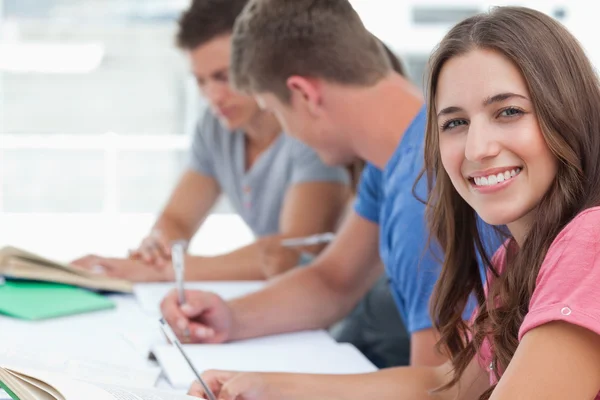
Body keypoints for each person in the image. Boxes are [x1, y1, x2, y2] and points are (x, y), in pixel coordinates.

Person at [191, 6, 600, 399]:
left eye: (509, 112)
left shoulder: (590, 241)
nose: (477, 147)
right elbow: (449, 388)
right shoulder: (514, 258)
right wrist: (268, 388)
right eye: (455, 123)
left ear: (565, 111)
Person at [161, 0, 500, 388]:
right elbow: (334, 280)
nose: (288, 133)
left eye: (275, 110)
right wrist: (227, 317)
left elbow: (439, 391)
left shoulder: (423, 196)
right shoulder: (394, 157)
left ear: (304, 94)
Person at [72, 0, 350, 282]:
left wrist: (167, 270)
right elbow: (177, 219)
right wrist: (159, 247)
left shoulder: (306, 128)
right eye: (201, 81)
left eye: (224, 76)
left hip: (333, 309)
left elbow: (293, 252)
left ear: (261, 60)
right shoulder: (216, 126)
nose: (213, 96)